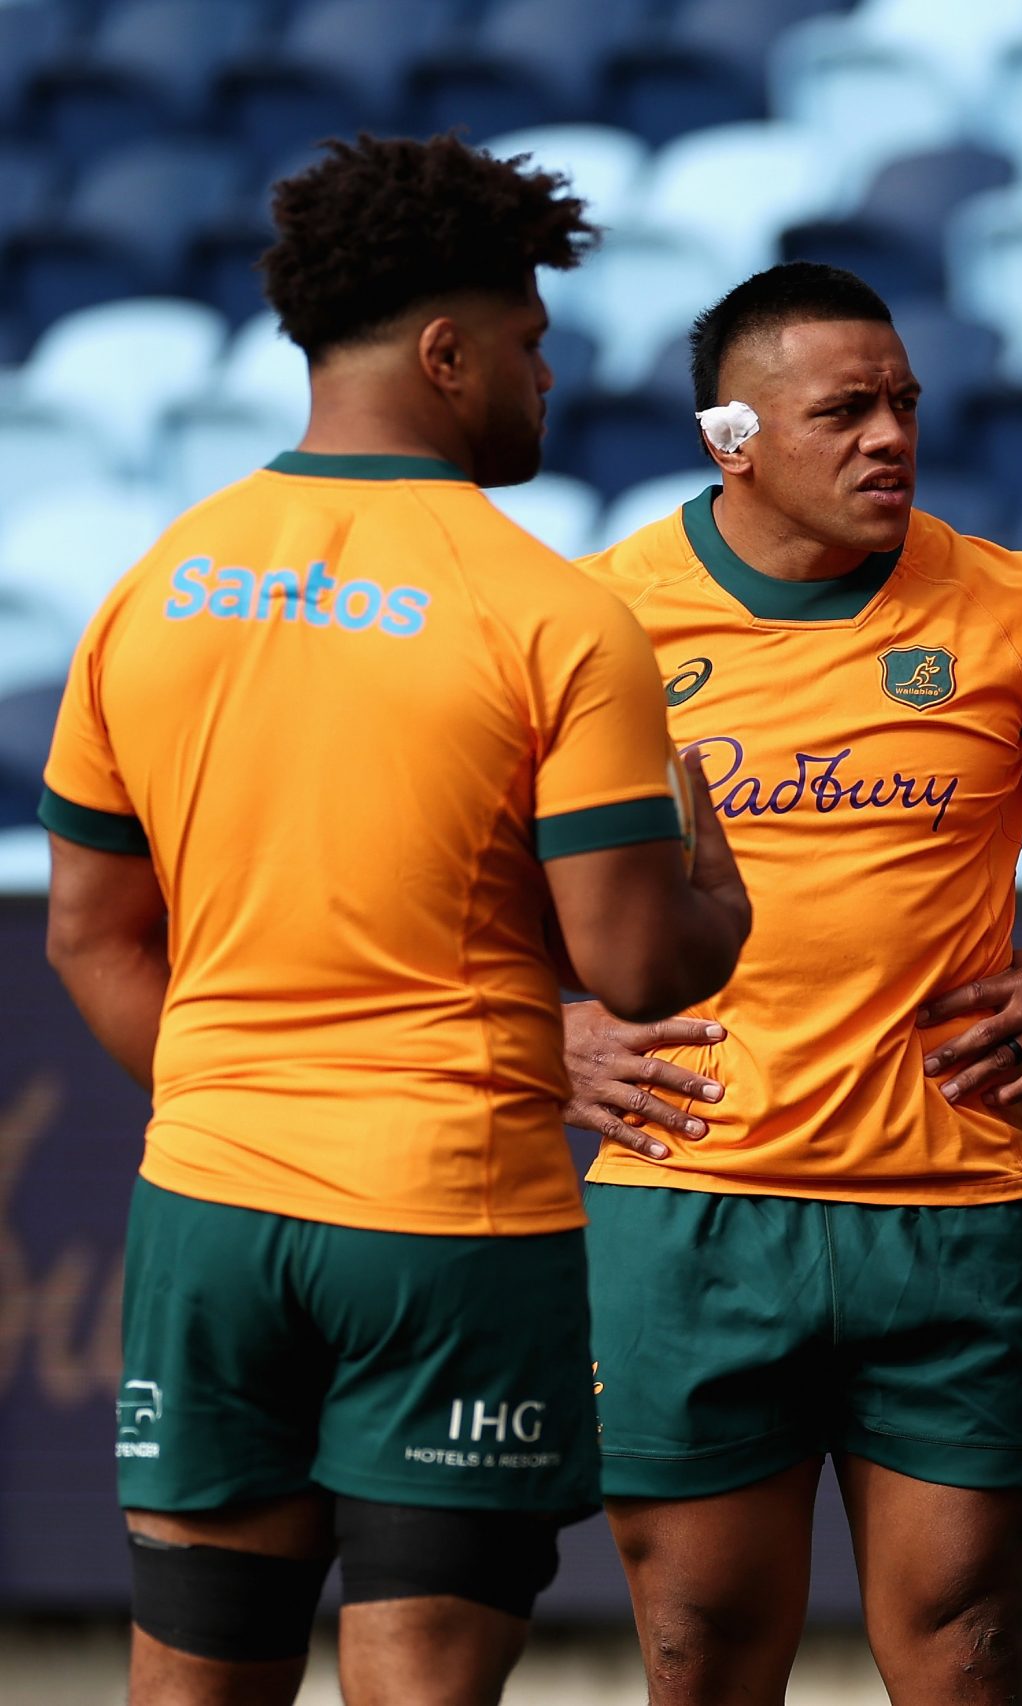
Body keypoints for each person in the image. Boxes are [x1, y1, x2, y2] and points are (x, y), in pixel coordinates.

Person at [39, 134, 751, 1706]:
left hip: (208, 1207)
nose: (546, 378)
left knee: (189, 1681)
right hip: (448, 1217)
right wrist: (719, 887)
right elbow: (636, 965)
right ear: (446, 353)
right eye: (528, 344)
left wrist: (243, 1100)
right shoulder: (555, 615)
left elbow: (89, 932)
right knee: (420, 1681)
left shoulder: (153, 586)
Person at [561, 261, 1022, 1706]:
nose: (890, 437)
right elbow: (442, 877)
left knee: (967, 1658)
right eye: (844, 410)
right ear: (731, 439)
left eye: (905, 404)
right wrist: (548, 1033)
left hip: (955, 1214)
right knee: (701, 1655)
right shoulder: (595, 621)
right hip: (690, 1211)